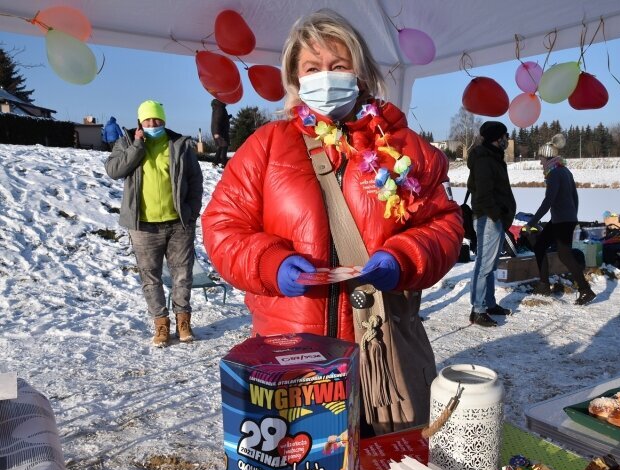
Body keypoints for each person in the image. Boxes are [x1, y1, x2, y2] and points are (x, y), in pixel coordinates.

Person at [201, 11, 462, 430]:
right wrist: (270, 262)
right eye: (312, 68)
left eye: (338, 66)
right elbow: (222, 226)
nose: (326, 77)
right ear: (295, 78)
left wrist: (403, 258)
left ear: (360, 72)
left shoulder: (404, 148)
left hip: (378, 353)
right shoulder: (265, 146)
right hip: (292, 359)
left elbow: (444, 226)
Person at [105, 100, 203, 346]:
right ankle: (161, 324)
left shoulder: (179, 145)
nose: (153, 124)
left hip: (179, 223)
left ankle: (183, 321)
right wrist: (138, 145)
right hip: (144, 226)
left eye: (157, 120)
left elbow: (195, 179)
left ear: (164, 120)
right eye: (147, 120)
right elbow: (114, 170)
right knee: (151, 278)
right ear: (140, 122)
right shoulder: (127, 142)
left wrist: (191, 212)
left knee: (182, 276)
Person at [526, 134, 596, 305]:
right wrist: (574, 216)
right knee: (541, 245)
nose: (540, 162)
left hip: (562, 221)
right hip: (564, 219)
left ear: (547, 157)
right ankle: (544, 285)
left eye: (541, 158)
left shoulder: (554, 174)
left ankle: (585, 290)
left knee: (565, 255)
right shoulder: (564, 170)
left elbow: (548, 201)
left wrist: (532, 222)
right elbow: (575, 196)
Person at [466, 121, 516, 327]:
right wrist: (497, 216)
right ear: (496, 137)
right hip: (488, 218)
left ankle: (489, 303)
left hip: (494, 219)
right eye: (504, 136)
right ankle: (478, 310)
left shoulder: (492, 157)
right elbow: (484, 195)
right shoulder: (484, 160)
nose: (507, 140)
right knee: (484, 265)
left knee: (489, 265)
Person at [210, 98, 230, 168]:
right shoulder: (220, 108)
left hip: (219, 131)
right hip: (220, 131)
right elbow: (217, 120)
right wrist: (216, 132)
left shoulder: (219, 107)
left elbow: (221, 118)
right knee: (224, 145)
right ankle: (224, 163)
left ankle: (215, 162)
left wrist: (227, 117)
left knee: (220, 147)